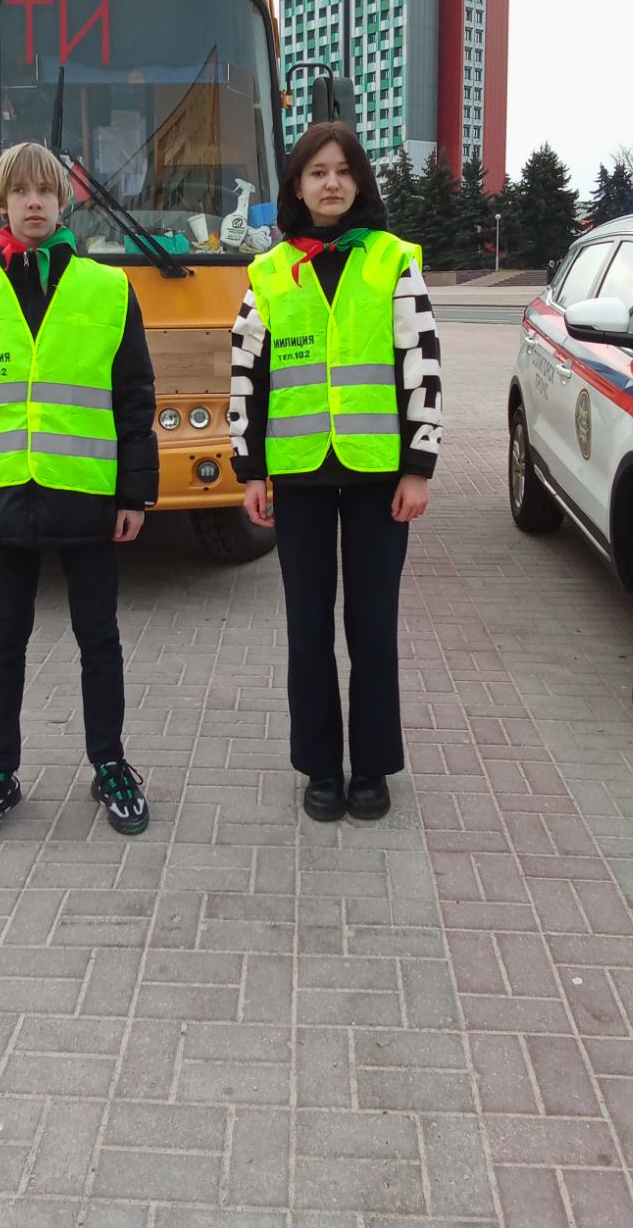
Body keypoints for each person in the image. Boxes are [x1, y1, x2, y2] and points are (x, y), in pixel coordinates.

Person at [0, 141, 158, 843]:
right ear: (1, 201)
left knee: (100, 638)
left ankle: (110, 763)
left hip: (87, 496)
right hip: (0, 498)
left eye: (46, 191)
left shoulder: (107, 288)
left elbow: (133, 398)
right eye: (20, 191)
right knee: (4, 641)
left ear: (64, 201)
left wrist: (135, 495)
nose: (34, 202)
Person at [228, 122, 441, 822]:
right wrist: (249, 468)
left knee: (373, 626)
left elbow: (422, 363)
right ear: (296, 185)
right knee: (307, 627)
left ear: (360, 183)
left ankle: (372, 768)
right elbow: (245, 377)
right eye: (316, 171)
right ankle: (320, 767)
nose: (330, 183)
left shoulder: (390, 260)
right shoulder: (268, 271)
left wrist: (420, 465)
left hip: (381, 474)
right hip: (297, 476)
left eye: (343, 170)